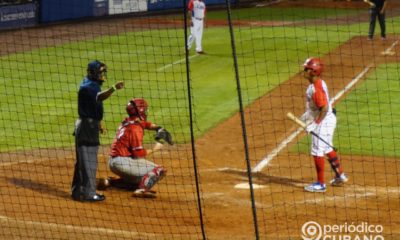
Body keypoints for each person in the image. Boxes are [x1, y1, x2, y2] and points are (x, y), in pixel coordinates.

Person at [97, 98, 173, 198]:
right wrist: (155, 148)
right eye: (145, 109)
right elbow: (139, 154)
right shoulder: (135, 129)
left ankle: (110, 182)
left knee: (140, 180)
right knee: (160, 170)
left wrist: (158, 128)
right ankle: (142, 190)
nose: (146, 111)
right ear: (140, 111)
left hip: (113, 162)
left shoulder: (127, 121)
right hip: (123, 163)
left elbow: (145, 124)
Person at [71, 60, 124, 202]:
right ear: (94, 73)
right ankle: (88, 194)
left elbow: (92, 105)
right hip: (87, 128)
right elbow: (99, 97)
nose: (103, 75)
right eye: (101, 72)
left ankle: (78, 192)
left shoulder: (90, 84)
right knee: (89, 161)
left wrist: (99, 122)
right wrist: (113, 88)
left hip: (88, 125)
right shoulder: (89, 87)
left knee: (83, 161)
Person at [302, 57, 348, 193]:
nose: (304, 71)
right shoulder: (318, 83)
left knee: (317, 151)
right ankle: (340, 175)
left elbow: (324, 108)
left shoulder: (316, 89)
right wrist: (307, 116)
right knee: (327, 147)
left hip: (323, 121)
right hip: (328, 119)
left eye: (306, 69)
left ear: (313, 72)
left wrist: (314, 124)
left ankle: (320, 184)